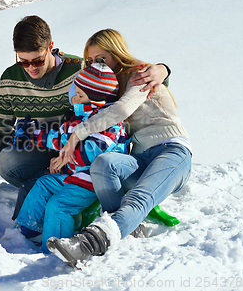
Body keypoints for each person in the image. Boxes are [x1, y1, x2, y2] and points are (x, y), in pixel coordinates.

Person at [0, 16, 170, 228]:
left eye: (38, 60)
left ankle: (58, 192)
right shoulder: (11, 79)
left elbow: (118, 80)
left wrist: (162, 70)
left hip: (71, 151)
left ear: (51, 47)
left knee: (9, 162)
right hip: (35, 141)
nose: (30, 67)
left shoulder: (79, 70)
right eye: (24, 61)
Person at [46, 29, 192, 269]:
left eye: (101, 58)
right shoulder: (109, 85)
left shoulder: (139, 74)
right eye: (91, 61)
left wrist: (77, 135)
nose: (96, 65)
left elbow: (121, 111)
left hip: (172, 151)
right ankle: (129, 228)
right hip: (140, 156)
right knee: (104, 163)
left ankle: (86, 245)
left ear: (117, 52)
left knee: (138, 198)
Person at [15, 61, 129, 253]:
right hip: (73, 177)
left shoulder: (109, 123)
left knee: (58, 206)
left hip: (93, 181)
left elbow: (92, 153)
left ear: (96, 99)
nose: (74, 98)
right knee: (43, 184)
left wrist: (65, 158)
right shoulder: (76, 119)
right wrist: (34, 134)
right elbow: (60, 140)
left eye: (80, 95)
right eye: (76, 92)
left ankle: (55, 248)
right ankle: (28, 229)